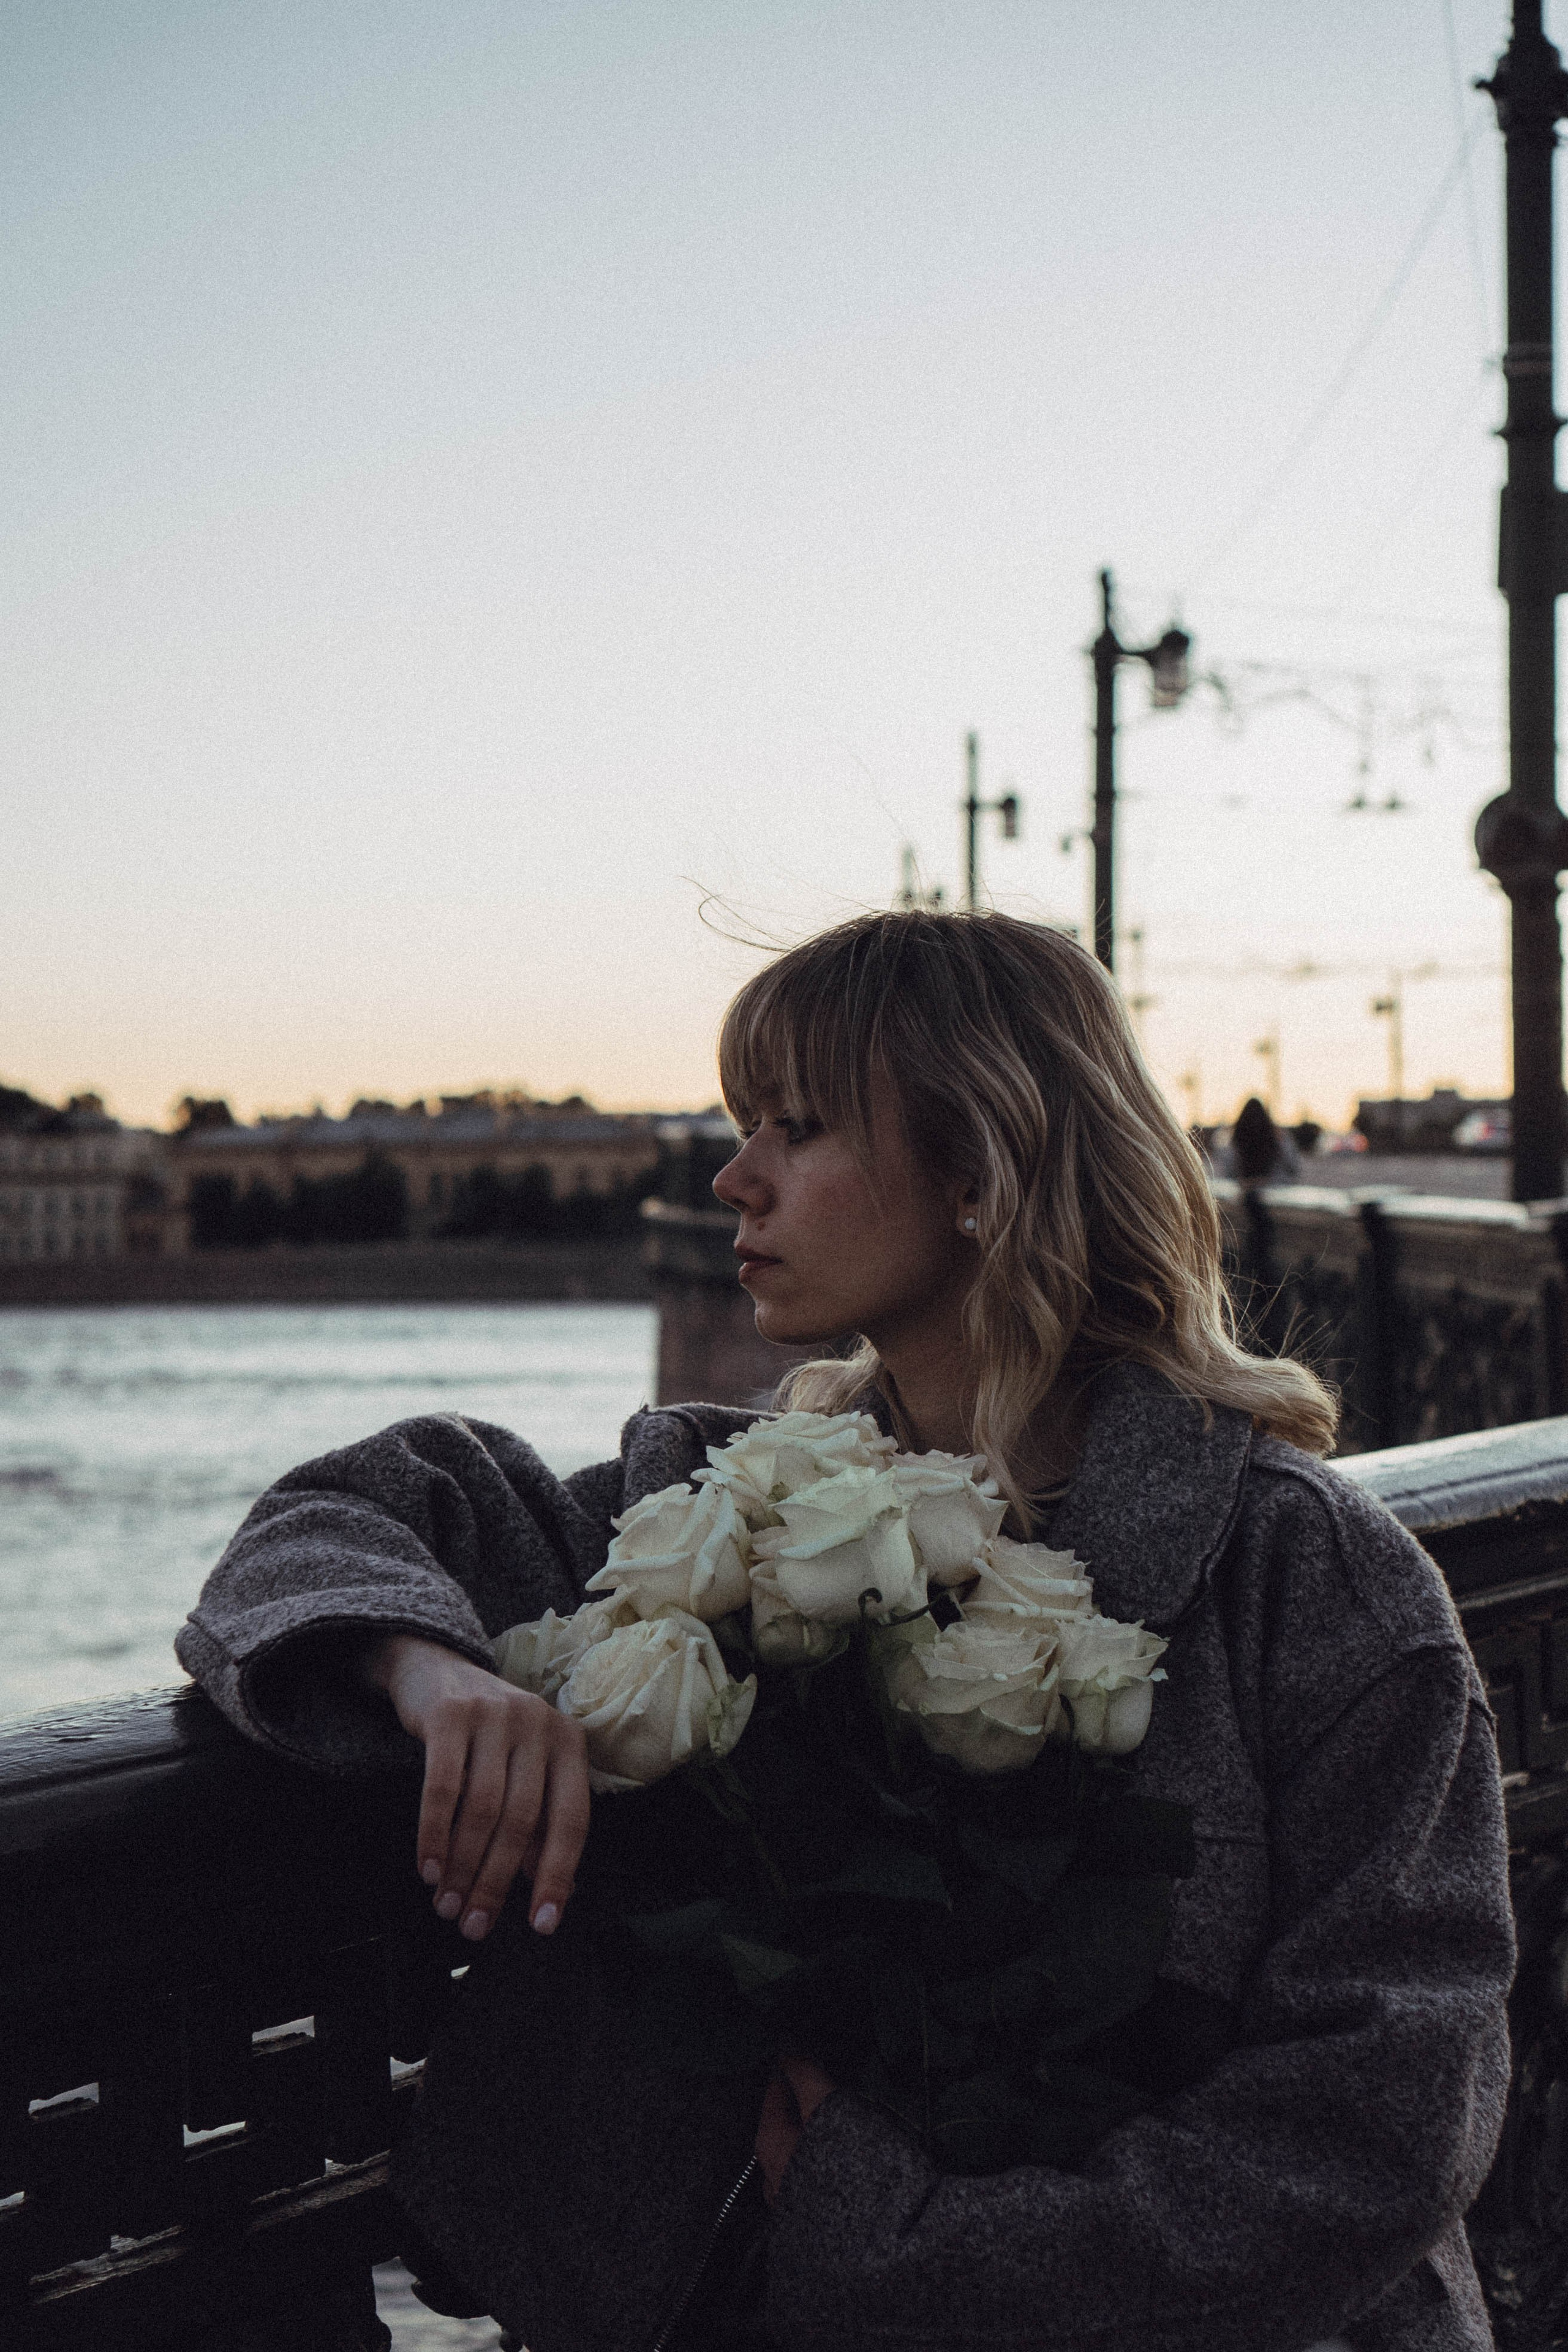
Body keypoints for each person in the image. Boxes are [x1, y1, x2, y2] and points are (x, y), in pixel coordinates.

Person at [176, 910, 1513, 2352]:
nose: (731, 1177)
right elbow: (338, 1519)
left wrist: (908, 2248)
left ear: (978, 1175)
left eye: (797, 1129)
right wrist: (426, 1670)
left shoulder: (1304, 1578)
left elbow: (1387, 2115)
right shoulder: (715, 1505)